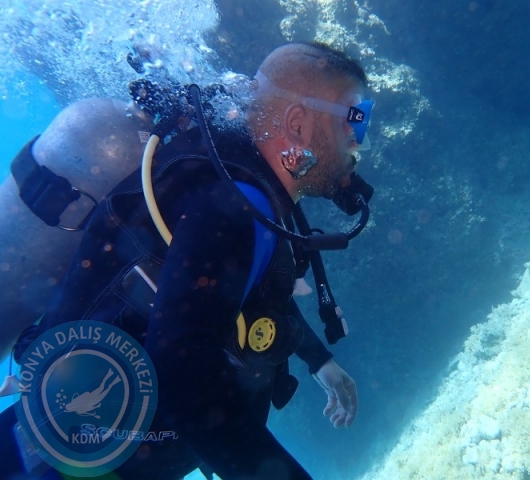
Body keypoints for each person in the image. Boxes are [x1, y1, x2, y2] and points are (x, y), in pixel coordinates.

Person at [0, 41, 374, 479]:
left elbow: (235, 296)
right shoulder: (237, 208)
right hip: (75, 464)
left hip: (66, 442)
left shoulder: (241, 193)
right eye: (354, 119)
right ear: (297, 125)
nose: (360, 142)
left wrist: (318, 359)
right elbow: (182, 370)